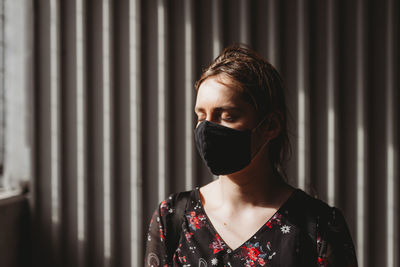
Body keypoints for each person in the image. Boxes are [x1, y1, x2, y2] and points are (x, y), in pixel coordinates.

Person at [145, 45, 358, 267]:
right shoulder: (173, 218)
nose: (207, 129)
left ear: (271, 126)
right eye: (201, 116)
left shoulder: (319, 226)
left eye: (226, 116)